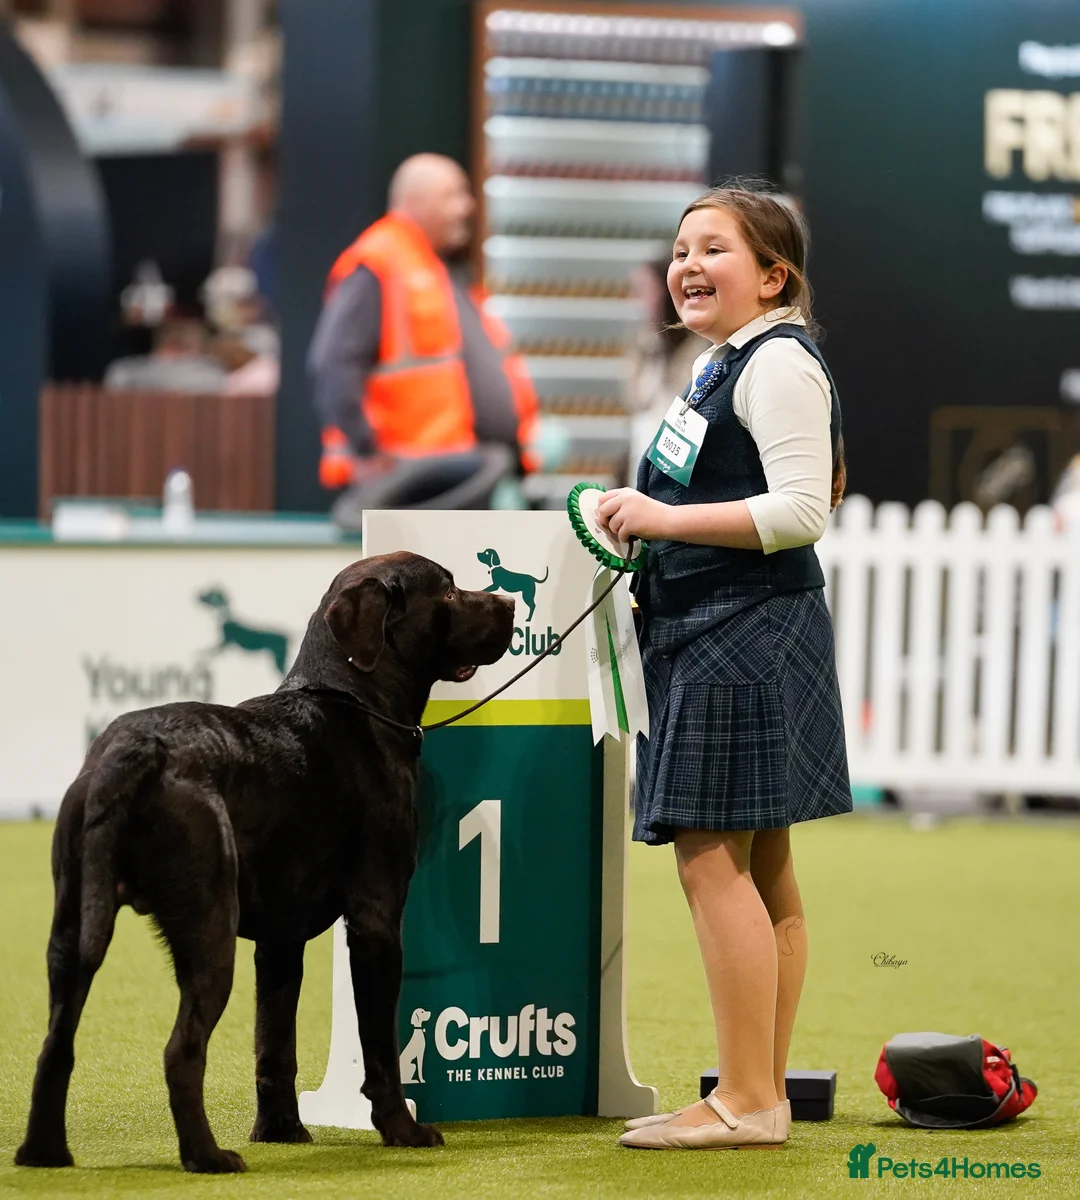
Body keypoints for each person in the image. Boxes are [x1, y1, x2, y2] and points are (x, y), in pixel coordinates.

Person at [598, 184, 851, 1151]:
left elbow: (802, 510)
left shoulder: (775, 362)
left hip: (740, 630)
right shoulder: (727, 362)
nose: (688, 266)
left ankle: (745, 1098)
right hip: (735, 626)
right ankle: (761, 1094)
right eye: (679, 251)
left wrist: (661, 521)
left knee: (712, 860)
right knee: (762, 864)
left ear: (773, 276)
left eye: (714, 249)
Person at [308, 153, 539, 525]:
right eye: (452, 195)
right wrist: (365, 449)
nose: (466, 207)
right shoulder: (379, 262)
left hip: (452, 473)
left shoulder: (431, 266)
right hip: (406, 479)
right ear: (415, 201)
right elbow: (333, 364)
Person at [622, 259, 708, 480]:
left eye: (645, 289)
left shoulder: (700, 347)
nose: (638, 299)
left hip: (686, 451)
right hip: (647, 443)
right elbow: (636, 401)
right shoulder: (643, 344)